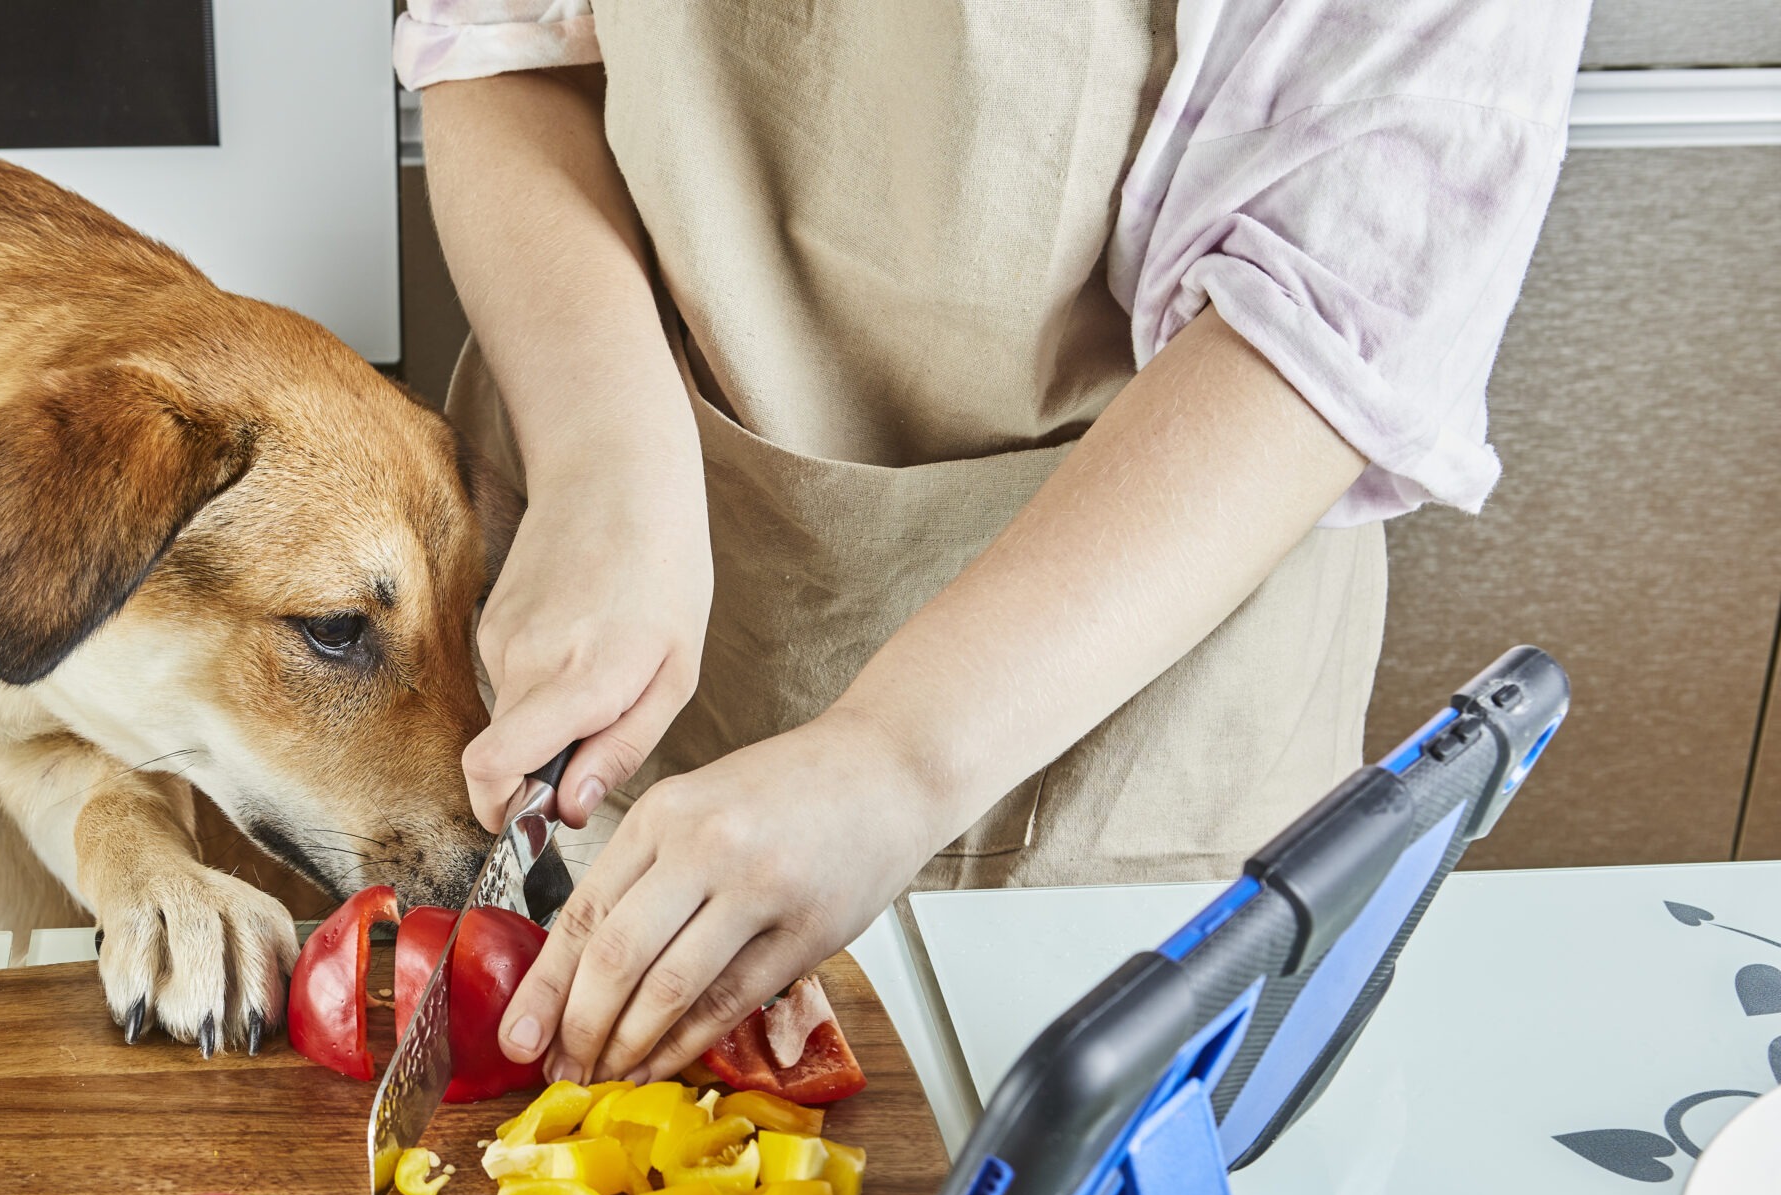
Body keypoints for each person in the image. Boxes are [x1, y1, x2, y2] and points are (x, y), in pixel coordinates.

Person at [397, 0, 1589, 1088]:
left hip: (1132, 698)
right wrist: (605, 471)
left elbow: (1328, 314)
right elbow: (504, 47)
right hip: (633, 549)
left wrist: (892, 756)